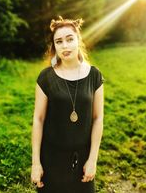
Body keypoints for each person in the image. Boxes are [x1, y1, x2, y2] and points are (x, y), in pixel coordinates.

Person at [31, 16, 105, 193]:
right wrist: (36, 163)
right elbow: (38, 120)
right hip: (51, 159)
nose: (65, 46)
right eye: (59, 41)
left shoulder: (94, 75)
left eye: (70, 39)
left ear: (78, 40)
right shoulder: (46, 77)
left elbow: (98, 118)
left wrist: (93, 159)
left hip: (83, 159)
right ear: (54, 46)